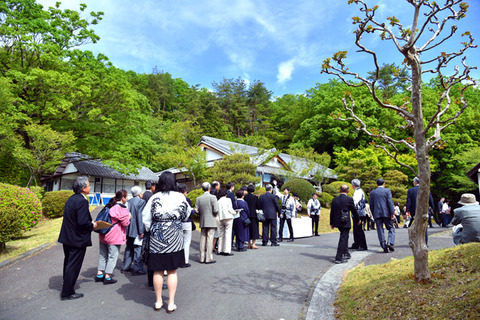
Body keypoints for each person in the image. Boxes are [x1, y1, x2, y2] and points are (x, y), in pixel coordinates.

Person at [142, 171, 191, 313]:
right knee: (172, 271)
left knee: (157, 270)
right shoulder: (179, 196)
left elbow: (146, 218)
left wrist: (151, 228)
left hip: (157, 235)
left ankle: (158, 301)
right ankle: (171, 303)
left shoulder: (154, 197)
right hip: (174, 234)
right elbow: (186, 213)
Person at [58, 176, 97, 300]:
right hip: (77, 239)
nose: (90, 187)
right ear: (83, 188)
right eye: (89, 185)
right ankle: (67, 292)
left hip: (68, 237)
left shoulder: (71, 199)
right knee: (73, 265)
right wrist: (93, 225)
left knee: (68, 263)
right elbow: (82, 222)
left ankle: (67, 286)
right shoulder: (82, 200)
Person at [95, 189, 131, 285]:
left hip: (104, 234)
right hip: (114, 236)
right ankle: (108, 276)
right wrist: (129, 217)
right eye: (126, 197)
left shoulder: (110, 205)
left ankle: (100, 274)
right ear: (123, 198)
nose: (127, 199)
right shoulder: (122, 209)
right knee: (112, 256)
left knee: (103, 255)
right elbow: (126, 223)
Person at [330, 184, 359, 264]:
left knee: (344, 236)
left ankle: (346, 253)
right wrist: (358, 219)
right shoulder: (349, 199)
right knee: (343, 238)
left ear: (340, 190)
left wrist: (331, 223)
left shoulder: (334, 199)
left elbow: (332, 212)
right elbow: (354, 210)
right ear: (348, 191)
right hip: (345, 221)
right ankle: (338, 257)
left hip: (337, 221)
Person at [122, 186, 146, 275]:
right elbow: (140, 217)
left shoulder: (128, 202)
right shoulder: (141, 202)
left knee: (129, 247)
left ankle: (126, 266)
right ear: (139, 193)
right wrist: (141, 231)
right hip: (136, 229)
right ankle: (137, 268)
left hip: (128, 229)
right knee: (138, 249)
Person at [369, 178, 396, 253]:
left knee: (380, 229)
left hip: (377, 213)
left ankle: (383, 245)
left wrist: (373, 214)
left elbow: (371, 205)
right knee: (391, 228)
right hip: (386, 213)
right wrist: (392, 213)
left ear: (376, 184)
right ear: (384, 184)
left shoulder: (372, 193)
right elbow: (390, 202)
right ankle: (390, 242)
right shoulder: (387, 191)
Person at [406, 177, 434, 244]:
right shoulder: (426, 190)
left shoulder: (411, 190)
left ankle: (416, 242)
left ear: (415, 182)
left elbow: (408, 202)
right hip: (424, 210)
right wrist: (433, 208)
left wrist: (408, 210)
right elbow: (430, 201)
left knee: (415, 227)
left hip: (414, 211)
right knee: (424, 227)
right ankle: (425, 242)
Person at [196, 182, 219, 264]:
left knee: (202, 239)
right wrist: (215, 214)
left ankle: (201, 258)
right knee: (210, 239)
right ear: (209, 188)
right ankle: (208, 258)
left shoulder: (198, 198)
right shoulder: (213, 197)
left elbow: (197, 211)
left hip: (203, 220)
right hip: (211, 220)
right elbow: (216, 210)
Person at [178, 183, 196, 267]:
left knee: (178, 243)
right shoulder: (187, 200)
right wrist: (194, 211)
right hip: (187, 222)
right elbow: (190, 212)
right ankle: (185, 261)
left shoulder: (175, 200)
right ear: (184, 191)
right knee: (186, 242)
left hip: (178, 223)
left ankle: (178, 260)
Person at [349, 179, 368, 251]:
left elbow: (355, 202)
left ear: (353, 185)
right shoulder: (359, 191)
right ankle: (356, 243)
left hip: (358, 212)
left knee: (359, 229)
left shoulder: (358, 192)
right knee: (356, 228)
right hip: (359, 212)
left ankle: (363, 245)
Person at [216, 188, 235, 256]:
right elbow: (230, 209)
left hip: (221, 218)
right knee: (227, 234)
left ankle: (220, 249)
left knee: (221, 234)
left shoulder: (218, 201)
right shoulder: (228, 200)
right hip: (228, 218)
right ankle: (226, 250)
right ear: (225, 194)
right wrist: (235, 212)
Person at [244, 184, 261, 249]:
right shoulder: (255, 197)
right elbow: (258, 206)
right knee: (254, 230)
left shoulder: (245, 197)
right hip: (254, 215)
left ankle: (249, 244)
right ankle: (253, 244)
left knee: (248, 229)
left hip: (247, 215)